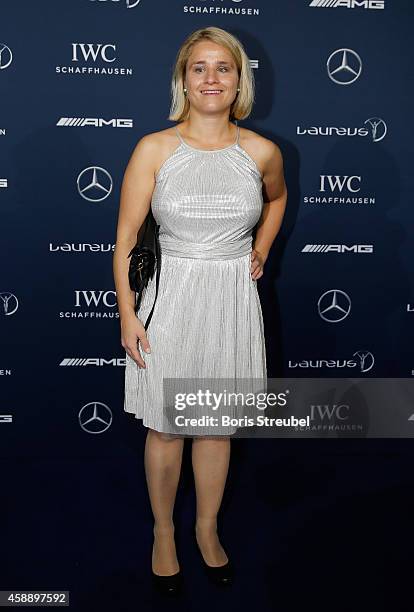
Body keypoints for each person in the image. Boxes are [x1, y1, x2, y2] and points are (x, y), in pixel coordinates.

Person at [113, 26, 287, 595]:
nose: (211, 78)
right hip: (170, 300)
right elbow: (126, 239)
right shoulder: (154, 148)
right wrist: (127, 313)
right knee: (166, 428)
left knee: (214, 426)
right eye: (199, 68)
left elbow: (278, 198)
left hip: (231, 300)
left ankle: (207, 530)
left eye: (224, 68)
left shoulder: (262, 152)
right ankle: (164, 532)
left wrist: (258, 249)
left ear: (241, 80)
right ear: (183, 80)